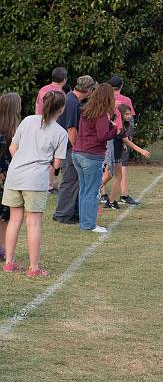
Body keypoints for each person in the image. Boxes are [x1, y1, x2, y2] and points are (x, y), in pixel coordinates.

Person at [2, 91, 67, 277]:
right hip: (35, 179)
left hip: (15, 176)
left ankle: (9, 263)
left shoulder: (28, 120)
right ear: (61, 109)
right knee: (34, 223)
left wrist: (21, 162)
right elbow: (57, 163)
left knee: (14, 220)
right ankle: (34, 268)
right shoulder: (60, 132)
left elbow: (13, 147)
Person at [72, 83, 119, 233]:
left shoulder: (86, 111)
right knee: (91, 191)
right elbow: (102, 136)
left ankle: (84, 221)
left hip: (78, 153)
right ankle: (89, 224)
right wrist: (115, 129)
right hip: (91, 156)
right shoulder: (101, 114)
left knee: (85, 189)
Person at [54, 75, 95, 224]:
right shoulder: (72, 103)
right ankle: (62, 215)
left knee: (75, 181)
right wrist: (78, 148)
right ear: (89, 90)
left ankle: (71, 213)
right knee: (70, 181)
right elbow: (71, 129)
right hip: (69, 148)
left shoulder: (70, 99)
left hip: (66, 147)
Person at [105, 104, 151, 209]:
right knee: (110, 176)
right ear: (120, 114)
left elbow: (124, 140)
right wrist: (141, 151)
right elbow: (126, 141)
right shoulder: (117, 125)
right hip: (112, 153)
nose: (129, 116)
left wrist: (124, 144)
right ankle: (95, 193)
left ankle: (111, 201)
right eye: (127, 114)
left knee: (116, 176)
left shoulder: (123, 125)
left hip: (117, 153)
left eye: (130, 114)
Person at [109, 76, 140, 206]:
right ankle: (124, 194)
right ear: (121, 86)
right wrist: (129, 139)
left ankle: (104, 194)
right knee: (123, 165)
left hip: (107, 135)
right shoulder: (125, 100)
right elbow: (130, 121)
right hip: (121, 135)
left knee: (106, 167)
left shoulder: (106, 99)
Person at [0, 93, 22, 262]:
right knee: (5, 214)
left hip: (6, 174)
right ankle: (5, 249)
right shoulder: (15, 129)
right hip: (8, 176)